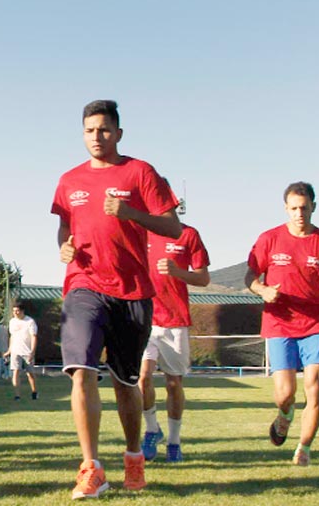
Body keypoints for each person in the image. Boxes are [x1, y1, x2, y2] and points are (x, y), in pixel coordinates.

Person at [51, 100, 180, 500]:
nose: (96, 137)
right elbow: (63, 228)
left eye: (104, 130)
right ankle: (91, 468)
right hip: (83, 284)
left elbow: (172, 227)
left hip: (133, 292)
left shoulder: (140, 172)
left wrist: (130, 213)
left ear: (119, 133)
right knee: (82, 369)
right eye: (90, 130)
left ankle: (133, 457)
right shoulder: (69, 180)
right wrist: (65, 249)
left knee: (127, 384)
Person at [244, 181, 319, 466]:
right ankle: (285, 414)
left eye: (304, 208)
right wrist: (262, 290)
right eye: (294, 208)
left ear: (314, 207)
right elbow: (250, 278)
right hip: (280, 322)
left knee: (314, 386)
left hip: (317, 323)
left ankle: (304, 449)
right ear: (286, 209)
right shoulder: (269, 239)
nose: (299, 213)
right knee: (285, 394)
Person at [139, 213, 210, 463]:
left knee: (173, 384)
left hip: (175, 321)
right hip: (145, 319)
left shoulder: (188, 234)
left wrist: (178, 272)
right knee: (143, 377)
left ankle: (174, 442)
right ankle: (151, 430)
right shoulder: (139, 230)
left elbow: (203, 277)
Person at [5, 300, 38, 401]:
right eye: (14, 311)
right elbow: (12, 336)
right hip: (16, 351)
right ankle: (17, 395)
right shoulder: (12, 322)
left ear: (22, 311)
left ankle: (34, 392)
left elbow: (34, 337)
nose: (15, 313)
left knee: (30, 374)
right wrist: (9, 350)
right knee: (16, 372)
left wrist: (32, 352)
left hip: (27, 352)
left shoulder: (30, 322)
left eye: (17, 311)